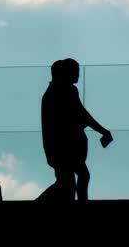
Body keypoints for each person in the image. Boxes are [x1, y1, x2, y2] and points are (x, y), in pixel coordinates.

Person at [38, 58, 113, 202]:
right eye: (76, 71)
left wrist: (102, 131)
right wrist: (103, 131)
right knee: (77, 178)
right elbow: (82, 115)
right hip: (62, 148)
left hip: (62, 149)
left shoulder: (62, 91)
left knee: (67, 183)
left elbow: (81, 116)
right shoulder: (61, 92)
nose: (78, 75)